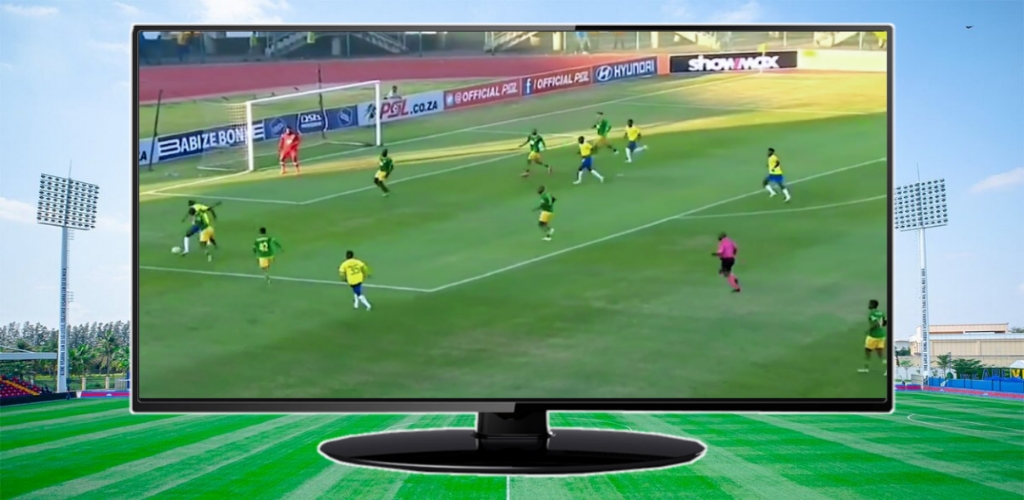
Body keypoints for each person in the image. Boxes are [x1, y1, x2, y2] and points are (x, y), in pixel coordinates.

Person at [859, 300, 888, 374]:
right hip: (881, 335)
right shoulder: (881, 313)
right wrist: (880, 326)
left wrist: (869, 330)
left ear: (872, 305)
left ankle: (866, 369)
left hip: (873, 336)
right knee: (880, 354)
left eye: (870, 304)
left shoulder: (871, 313)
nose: (868, 305)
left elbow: (876, 323)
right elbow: (885, 322)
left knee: (867, 352)